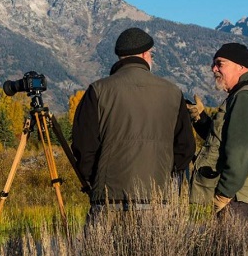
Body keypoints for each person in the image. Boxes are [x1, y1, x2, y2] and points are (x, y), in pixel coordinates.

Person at [71, 27, 195, 211]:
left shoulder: (98, 90)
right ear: (145, 54)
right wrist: (167, 182)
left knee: (106, 241)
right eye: (151, 55)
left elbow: (83, 146)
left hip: (109, 198)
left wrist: (96, 181)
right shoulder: (173, 92)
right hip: (158, 198)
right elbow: (185, 148)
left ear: (121, 57)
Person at [187, 42, 248, 221]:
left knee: (234, 250)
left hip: (240, 200)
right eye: (213, 64)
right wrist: (200, 118)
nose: (214, 69)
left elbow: (241, 152)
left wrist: (223, 194)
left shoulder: (244, 98)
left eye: (220, 63)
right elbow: (224, 140)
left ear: (240, 66)